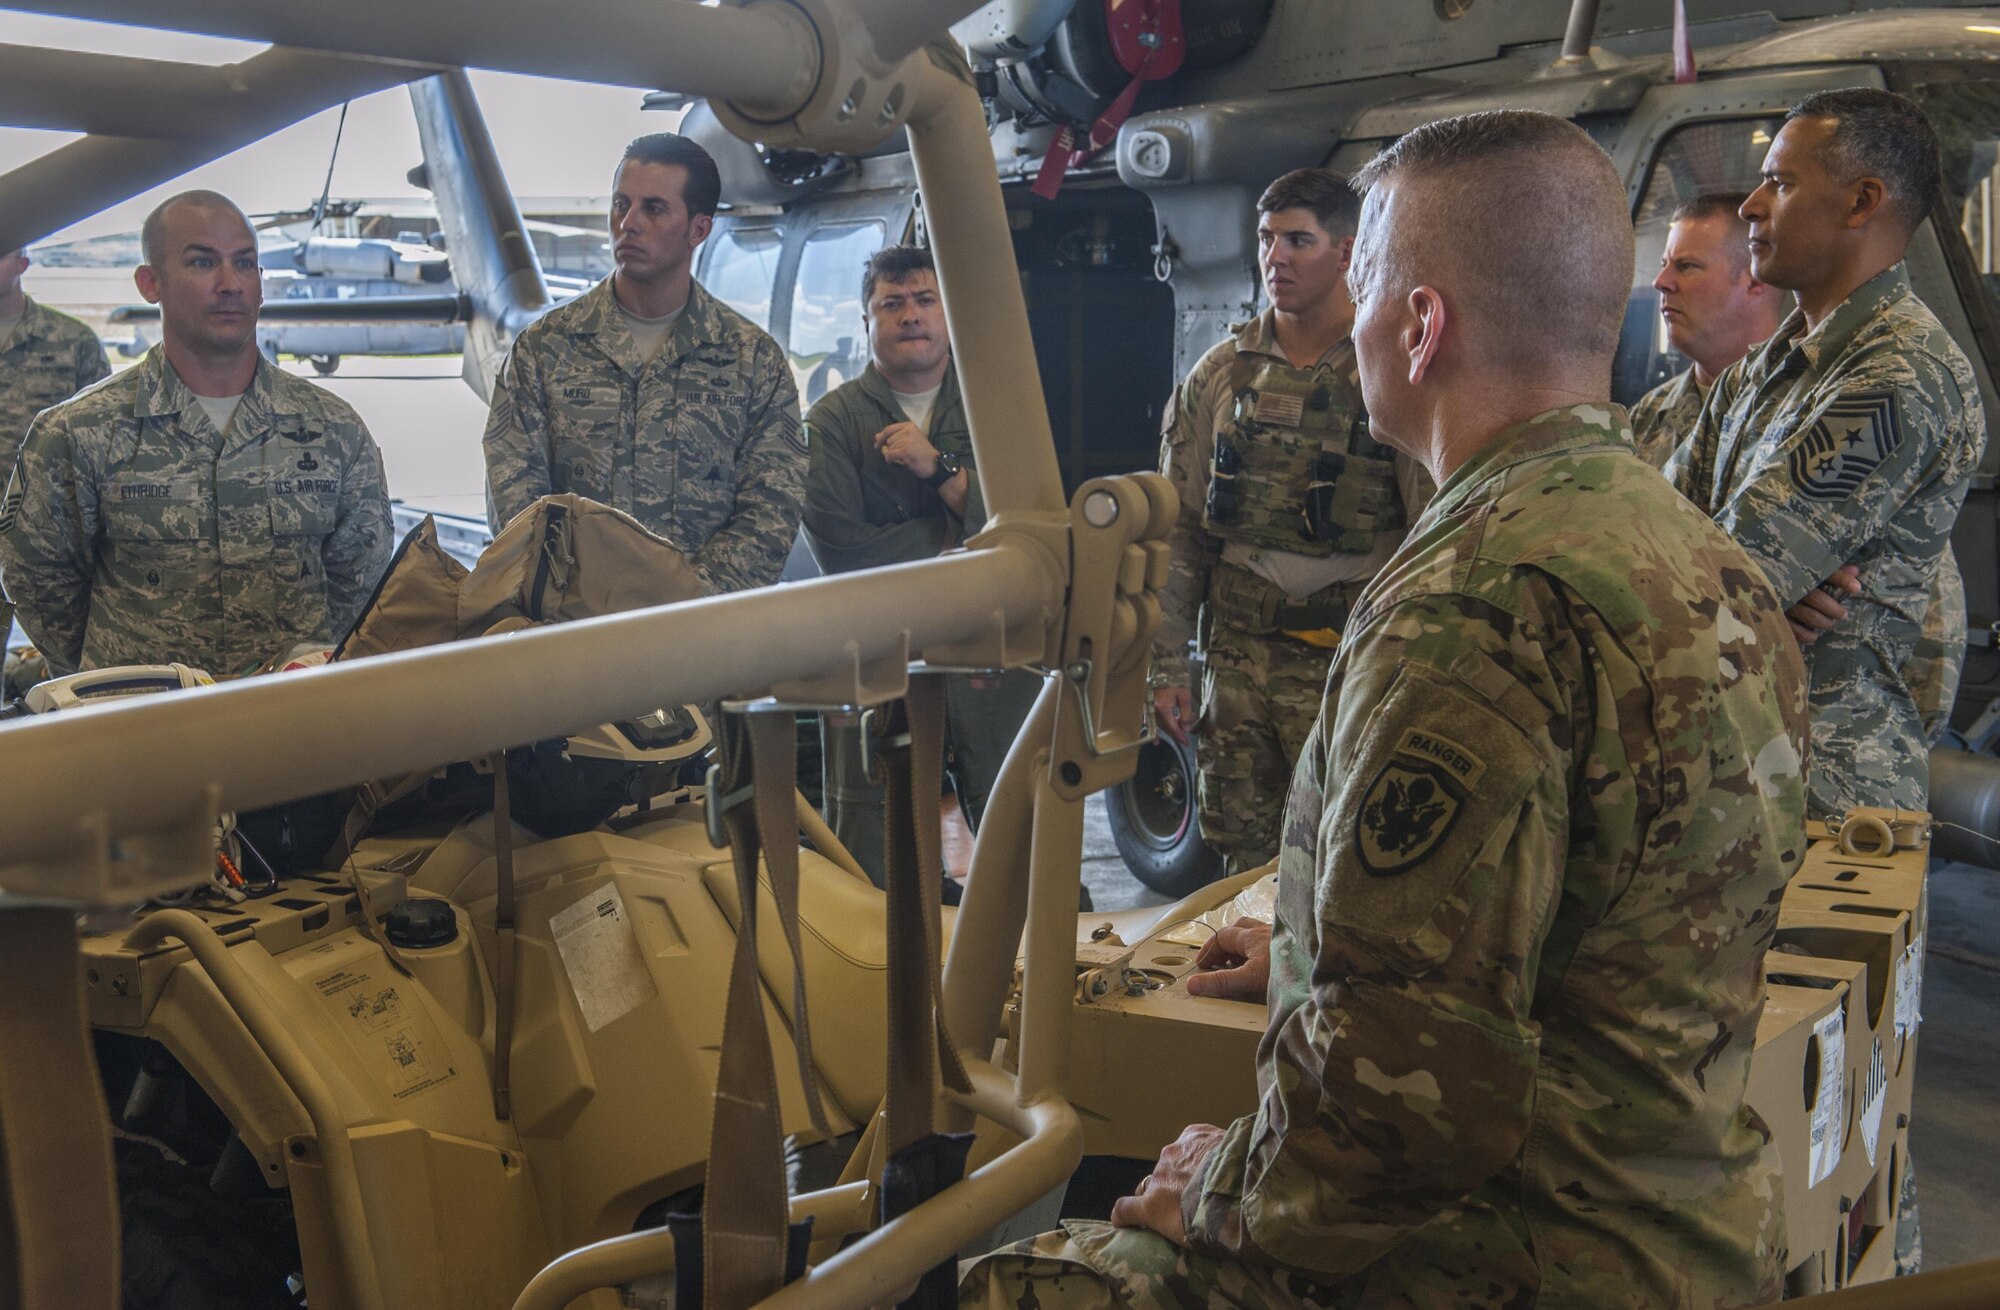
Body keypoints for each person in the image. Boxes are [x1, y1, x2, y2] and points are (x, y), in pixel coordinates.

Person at [963, 110, 1809, 1310]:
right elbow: (1595, 929)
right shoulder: (1692, 550)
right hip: (1678, 1225)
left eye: (1365, 284)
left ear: (1418, 327)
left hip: (1501, 1254)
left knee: (1011, 1279)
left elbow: (1398, 1119)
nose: (1348, 318)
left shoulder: (1470, 604)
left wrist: (1204, 1194)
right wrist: (1319, 948)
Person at [1666, 88, 1984, 820]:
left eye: (1779, 183)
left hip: (1821, 794)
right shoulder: (1767, 366)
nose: (1750, 205)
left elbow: (1728, 575)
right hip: (1726, 771)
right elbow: (1656, 526)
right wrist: (1742, 579)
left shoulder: (1898, 374)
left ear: (1860, 202)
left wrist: (1736, 573)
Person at [1150, 168, 1430, 874]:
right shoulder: (1219, 376)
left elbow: (1431, 529)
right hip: (1239, 661)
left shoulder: (1387, 375)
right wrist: (1166, 665)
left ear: (1346, 252)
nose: (1275, 257)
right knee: (1241, 857)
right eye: (1266, 239)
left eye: (1297, 240)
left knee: (1348, 852)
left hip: (1350, 660)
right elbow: (1178, 532)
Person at [0, 191, 391, 678]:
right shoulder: (78, 433)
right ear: (150, 283)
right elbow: (41, 587)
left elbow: (360, 583)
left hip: (293, 728)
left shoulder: (332, 430)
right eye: (203, 263)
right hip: (145, 732)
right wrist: (115, 673)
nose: (230, 284)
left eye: (245, 264)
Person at [800, 245, 1038, 885]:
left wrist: (939, 471)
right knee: (873, 864)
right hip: (879, 659)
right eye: (892, 303)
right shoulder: (831, 423)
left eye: (925, 300)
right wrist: (958, 531)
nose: (911, 316)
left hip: (992, 655)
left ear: (948, 313)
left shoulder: (998, 407)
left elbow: (1031, 526)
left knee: (1029, 846)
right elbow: (844, 551)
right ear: (867, 320)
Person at [482, 133, 803, 596]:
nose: (628, 224)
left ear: (698, 230)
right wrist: (579, 598)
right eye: (620, 204)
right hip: (573, 630)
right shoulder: (545, 349)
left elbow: (772, 507)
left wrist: (690, 600)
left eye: (653, 208)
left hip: (701, 637)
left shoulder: (752, 362)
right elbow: (513, 493)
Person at [0, 245, 111, 644]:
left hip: (47, 529)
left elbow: (103, 441)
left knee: (64, 654)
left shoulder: (72, 341)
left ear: (23, 264)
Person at [1629, 192, 1785, 465]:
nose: (1661, 282)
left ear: (1756, 279)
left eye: (1687, 266)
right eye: (1664, 265)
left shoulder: (1803, 408)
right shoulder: (1647, 417)